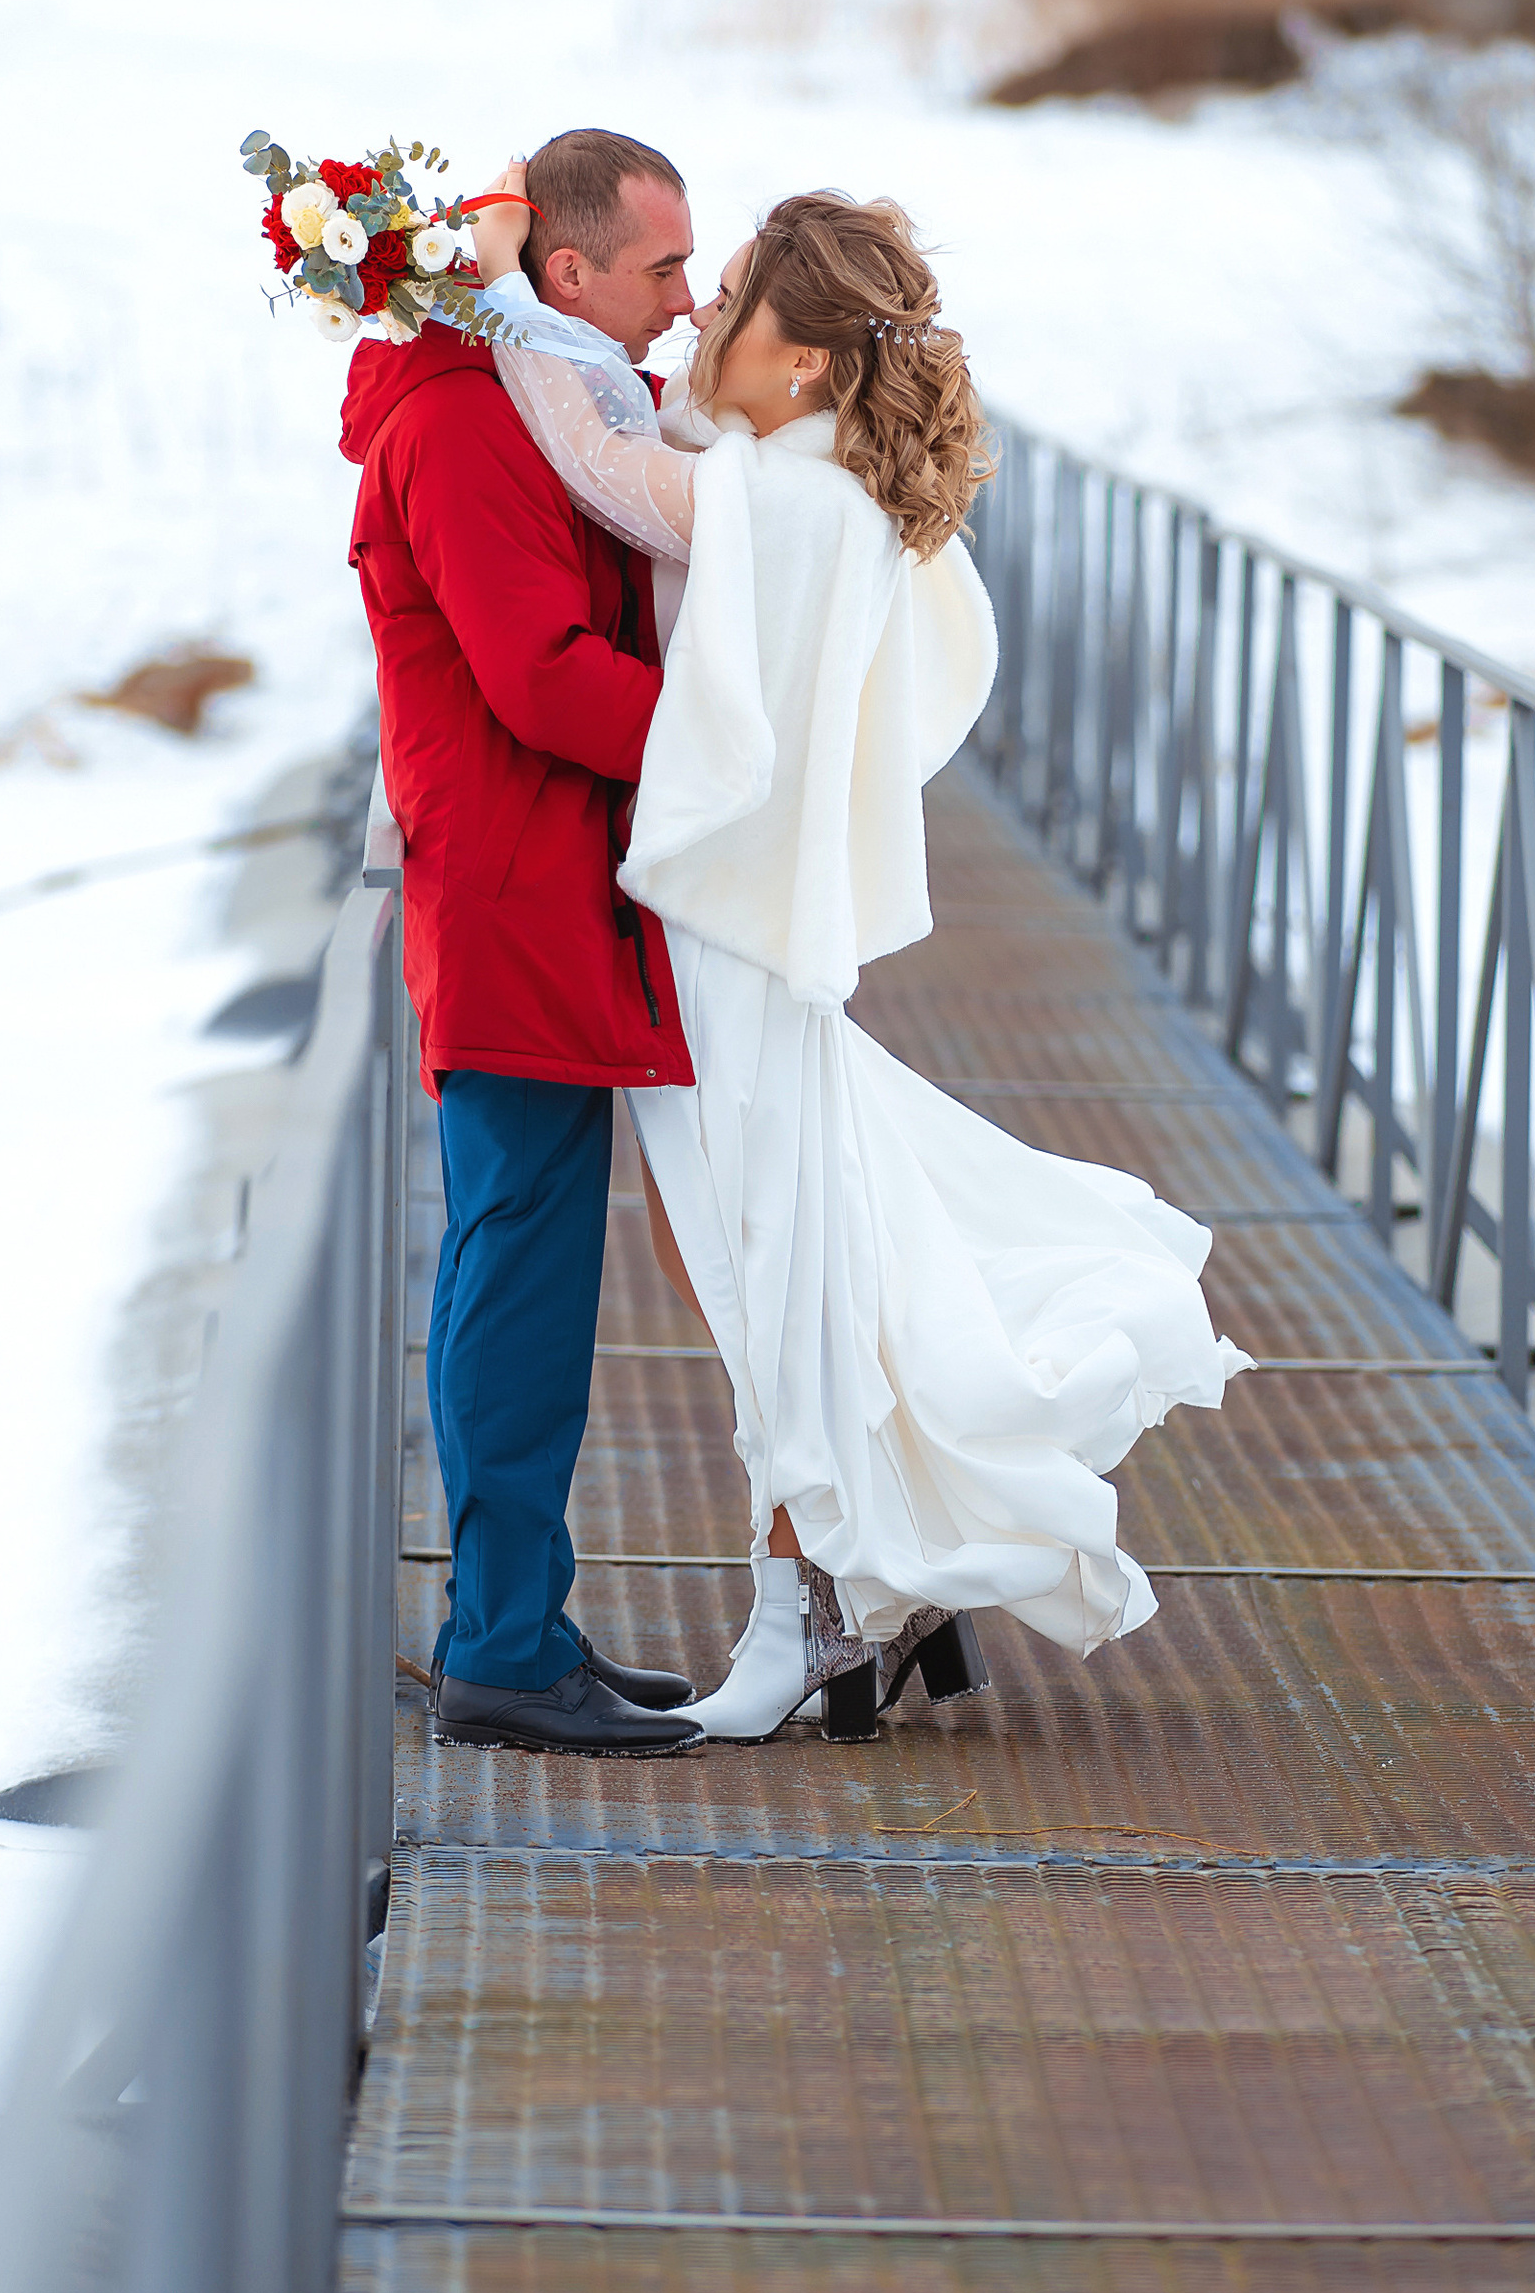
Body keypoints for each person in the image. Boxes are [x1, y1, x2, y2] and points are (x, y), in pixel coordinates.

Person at [472, 174, 1250, 1741]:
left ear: (809, 359)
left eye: (733, 291)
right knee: (763, 1246)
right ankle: (878, 1579)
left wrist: (494, 291)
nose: (700, 310)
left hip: (737, 939)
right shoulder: (781, 468)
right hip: (730, 928)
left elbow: (593, 461)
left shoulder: (796, 501)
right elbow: (657, 448)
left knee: (777, 1263)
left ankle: (813, 1606)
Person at [340, 126, 709, 1759]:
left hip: (549, 883)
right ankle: (499, 1642)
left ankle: (521, 1619)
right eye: (664, 270)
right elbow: (543, 675)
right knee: (520, 1269)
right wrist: (740, 747)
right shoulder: (469, 425)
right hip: (512, 892)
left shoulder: (531, 399)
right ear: (565, 274)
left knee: (537, 1267)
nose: (687, 304)